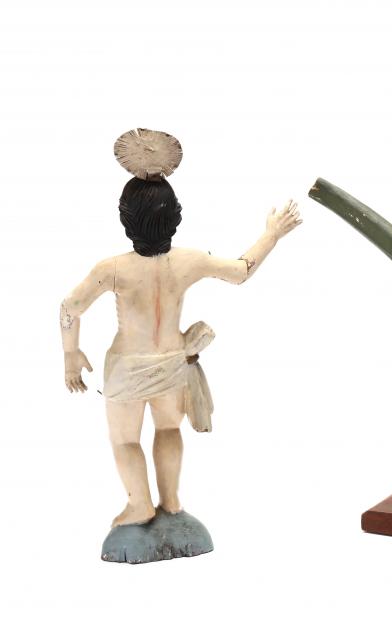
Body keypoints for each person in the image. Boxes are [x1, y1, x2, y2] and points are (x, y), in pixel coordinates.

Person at [60, 129, 301, 527]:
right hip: (172, 362)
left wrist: (71, 353)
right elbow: (242, 271)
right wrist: (271, 234)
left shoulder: (113, 269)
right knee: (169, 429)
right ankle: (170, 501)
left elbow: (70, 307)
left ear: (125, 218)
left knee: (125, 439)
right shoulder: (189, 260)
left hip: (127, 367)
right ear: (175, 217)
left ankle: (141, 504)